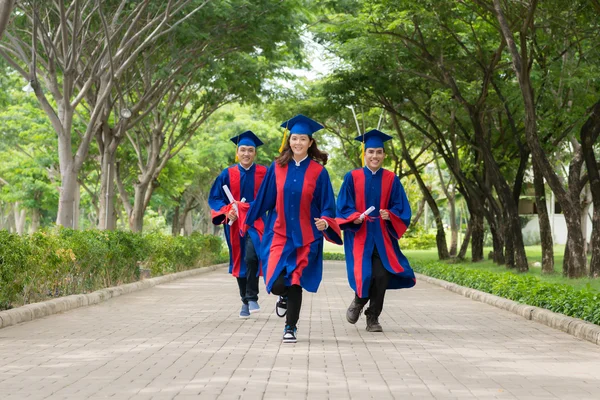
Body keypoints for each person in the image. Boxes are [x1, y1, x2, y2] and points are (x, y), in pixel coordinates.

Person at [240, 114, 342, 343]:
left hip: (306, 237)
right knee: (276, 283)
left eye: (302, 139)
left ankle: (290, 327)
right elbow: (264, 198)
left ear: (310, 143)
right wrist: (247, 218)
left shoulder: (319, 172)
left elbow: (327, 204)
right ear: (289, 141)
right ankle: (282, 297)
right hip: (279, 234)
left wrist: (326, 220)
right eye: (294, 138)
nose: (297, 142)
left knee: (296, 280)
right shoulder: (276, 168)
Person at [336, 129, 415, 332]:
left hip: (382, 237)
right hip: (360, 236)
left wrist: (391, 215)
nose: (375, 156)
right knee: (365, 274)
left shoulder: (391, 179)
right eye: (371, 151)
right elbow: (343, 206)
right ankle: (359, 300)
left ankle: (373, 317)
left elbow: (401, 207)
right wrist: (355, 217)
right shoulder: (351, 177)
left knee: (381, 276)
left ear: (384, 155)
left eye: (379, 152)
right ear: (364, 154)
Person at [208, 130, 267, 318]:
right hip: (234, 223)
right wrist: (227, 210)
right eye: (243, 150)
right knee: (239, 259)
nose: (246, 154)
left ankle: (252, 296)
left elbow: (273, 195)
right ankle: (245, 301)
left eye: (250, 150)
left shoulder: (264, 173)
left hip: (255, 221)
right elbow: (215, 198)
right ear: (237, 152)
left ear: (255, 153)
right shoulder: (227, 174)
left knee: (252, 256)